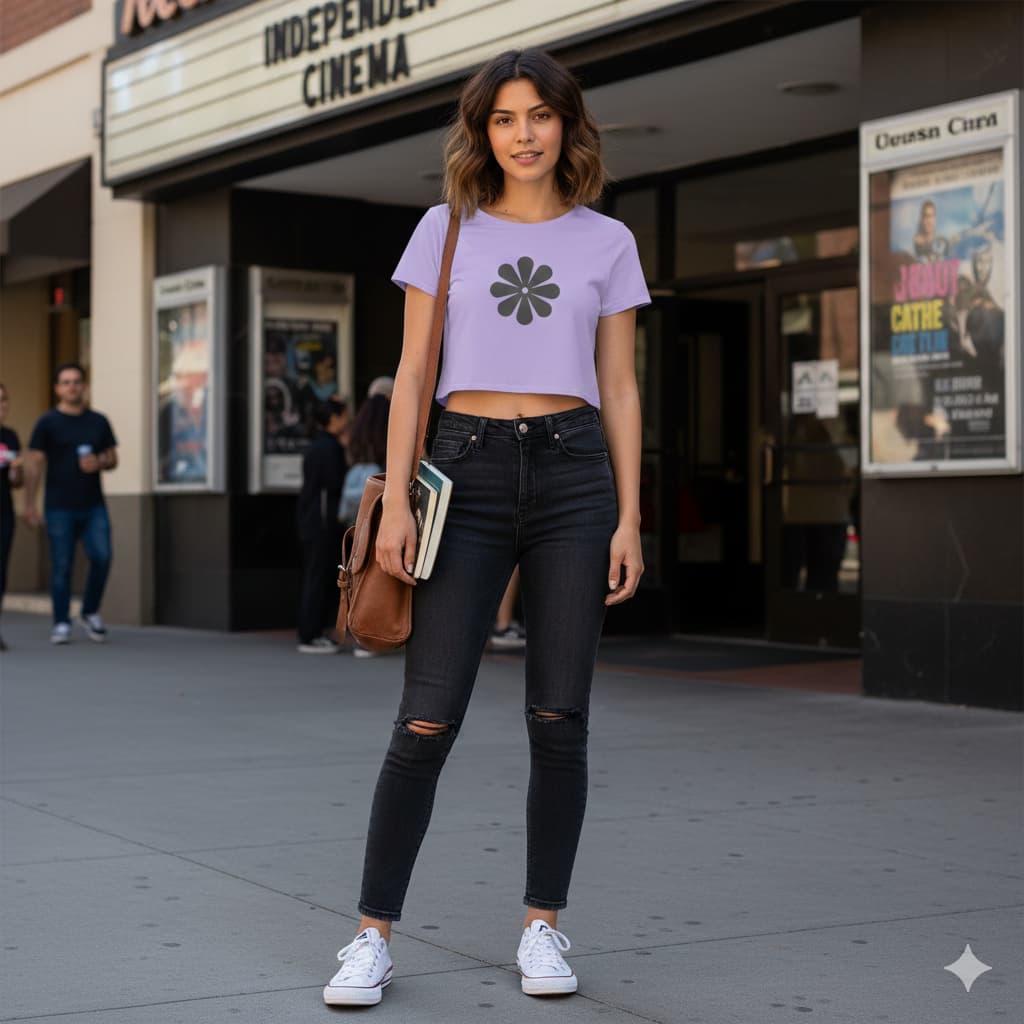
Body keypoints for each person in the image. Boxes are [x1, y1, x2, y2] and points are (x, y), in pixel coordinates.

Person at [322, 48, 648, 1007]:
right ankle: (371, 935)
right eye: (505, 119)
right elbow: (415, 371)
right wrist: (399, 503)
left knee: (560, 716)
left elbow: (622, 387)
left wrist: (629, 515)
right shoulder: (444, 230)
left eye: (540, 115)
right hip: (459, 470)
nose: (524, 134)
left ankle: (543, 926)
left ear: (567, 125)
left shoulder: (609, 242)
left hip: (575, 475)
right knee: (426, 717)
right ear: (483, 133)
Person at [22, 363, 118, 645]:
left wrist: (99, 461)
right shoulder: (47, 423)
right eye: (66, 382)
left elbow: (112, 458)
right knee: (62, 565)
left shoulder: (98, 421)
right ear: (57, 388)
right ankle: (61, 622)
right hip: (58, 506)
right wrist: (30, 504)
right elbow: (35, 464)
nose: (72, 387)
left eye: (76, 381)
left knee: (102, 556)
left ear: (84, 385)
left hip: (93, 506)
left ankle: (89, 611)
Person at [338, 393, 392, 659]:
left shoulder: (358, 432)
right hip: (381, 507)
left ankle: (360, 628)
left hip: (359, 509)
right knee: (382, 573)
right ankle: (378, 630)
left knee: (359, 571)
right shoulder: (388, 430)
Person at [296, 398, 350, 654]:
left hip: (310, 519)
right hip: (323, 522)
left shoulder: (314, 446)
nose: (347, 420)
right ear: (333, 418)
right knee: (319, 578)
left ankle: (312, 632)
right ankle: (311, 634)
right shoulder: (330, 447)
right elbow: (335, 483)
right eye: (343, 416)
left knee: (314, 577)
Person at [0, 383, 24, 652]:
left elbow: (15, 482)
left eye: (3, 400)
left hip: (4, 512)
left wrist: (16, 470)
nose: (1, 406)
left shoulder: (10, 437)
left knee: (1, 571)